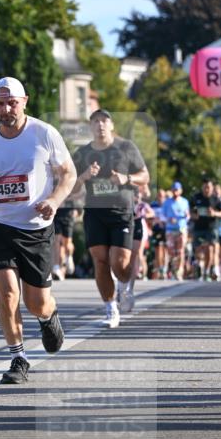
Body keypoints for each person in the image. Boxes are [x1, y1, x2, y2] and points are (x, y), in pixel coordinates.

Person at [0, 76, 76, 385]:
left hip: (36, 228)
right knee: (7, 294)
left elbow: (68, 174)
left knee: (36, 302)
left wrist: (54, 199)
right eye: (0, 103)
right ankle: (19, 357)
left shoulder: (44, 134)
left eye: (12, 102)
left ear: (25, 101)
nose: (6, 108)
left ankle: (49, 316)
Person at [70, 109, 149, 327]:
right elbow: (71, 189)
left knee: (119, 263)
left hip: (121, 212)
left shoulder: (126, 148)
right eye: (95, 121)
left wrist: (126, 178)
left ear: (111, 125)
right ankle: (110, 308)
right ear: (90, 127)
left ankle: (124, 285)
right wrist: (84, 176)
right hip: (94, 213)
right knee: (100, 260)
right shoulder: (82, 153)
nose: (100, 125)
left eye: (104, 121)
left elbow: (145, 176)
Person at [189, 178, 221, 281]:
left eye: (208, 187)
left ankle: (207, 270)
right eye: (205, 187)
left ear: (212, 188)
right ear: (202, 187)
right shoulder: (196, 198)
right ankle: (199, 266)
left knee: (210, 248)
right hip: (198, 228)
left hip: (211, 228)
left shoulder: (216, 199)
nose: (206, 189)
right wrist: (193, 215)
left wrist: (214, 213)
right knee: (198, 249)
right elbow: (190, 211)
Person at [162, 182, 190, 280]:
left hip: (181, 229)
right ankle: (173, 270)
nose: (175, 191)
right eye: (174, 189)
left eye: (177, 189)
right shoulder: (167, 202)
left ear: (180, 190)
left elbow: (188, 216)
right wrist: (169, 219)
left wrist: (186, 217)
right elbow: (162, 216)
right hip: (170, 229)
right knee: (171, 252)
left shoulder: (185, 201)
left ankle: (179, 271)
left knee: (181, 250)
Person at [52, 196, 77, 280]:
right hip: (55, 212)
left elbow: (77, 192)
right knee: (56, 241)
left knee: (67, 243)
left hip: (68, 212)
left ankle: (69, 257)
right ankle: (56, 267)